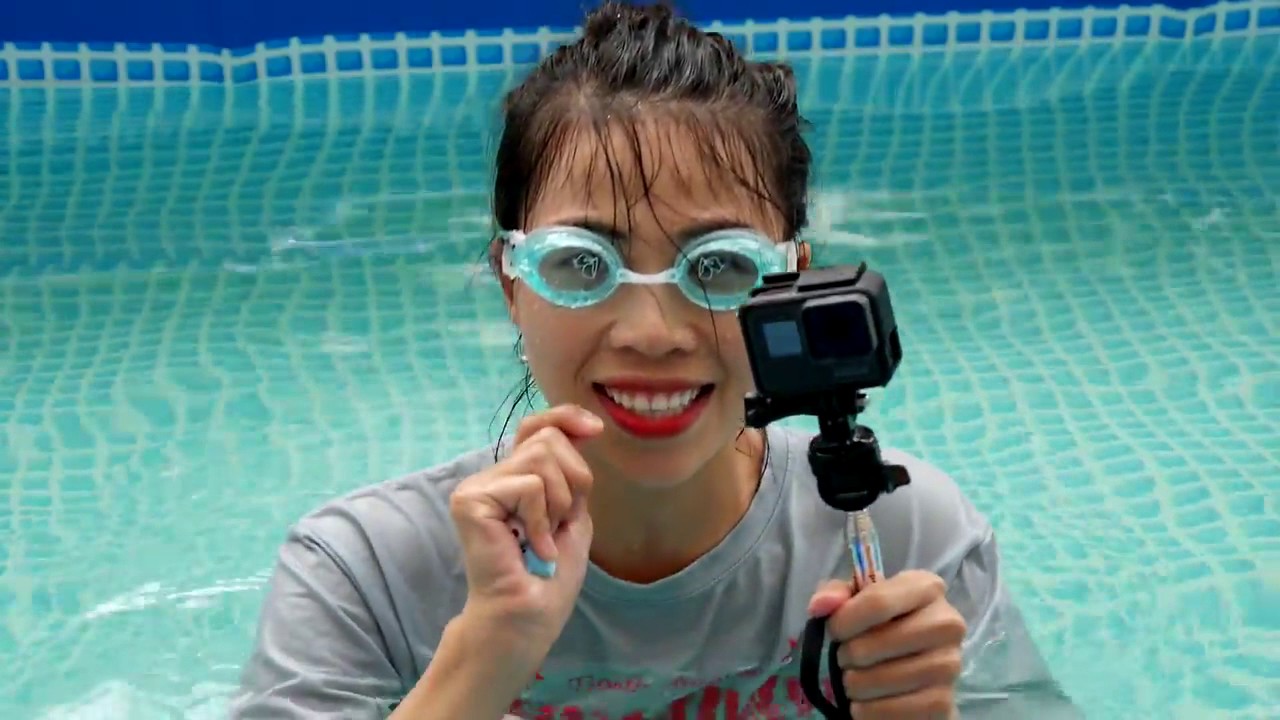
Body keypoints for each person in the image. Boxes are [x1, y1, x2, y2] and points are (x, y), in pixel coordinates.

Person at [229, 2, 1083, 718]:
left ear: (789, 281)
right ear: (511, 283)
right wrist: (488, 650)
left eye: (719, 266)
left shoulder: (902, 538)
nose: (653, 331)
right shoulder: (367, 576)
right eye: (582, 264)